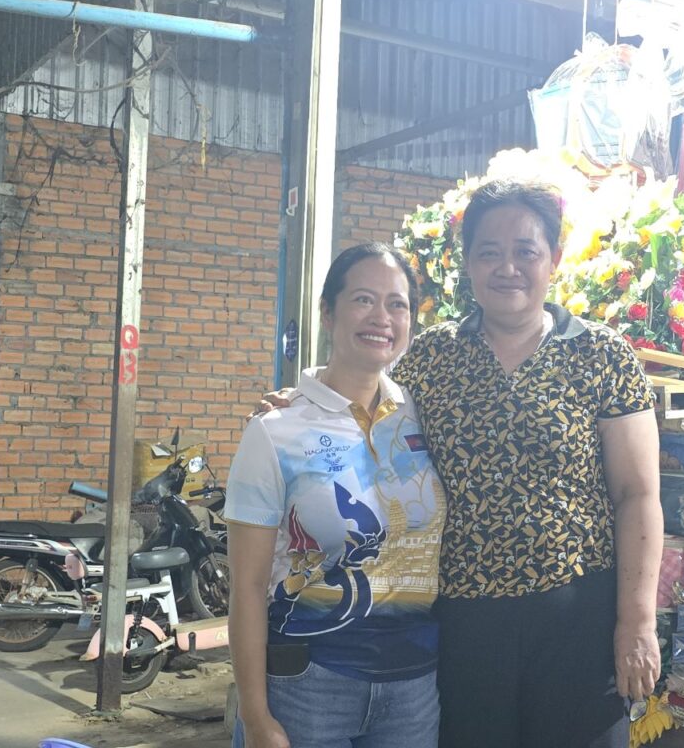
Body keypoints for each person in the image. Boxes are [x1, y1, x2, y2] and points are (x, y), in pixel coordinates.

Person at [259, 179, 662, 748]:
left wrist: (637, 623)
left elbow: (637, 494)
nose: (508, 268)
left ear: (553, 259)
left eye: (525, 251)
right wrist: (300, 403)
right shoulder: (430, 357)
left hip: (578, 617)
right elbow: (363, 402)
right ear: (467, 263)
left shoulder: (601, 354)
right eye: (489, 252)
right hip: (464, 625)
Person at [226, 242, 447, 748]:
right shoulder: (276, 431)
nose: (382, 317)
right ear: (328, 312)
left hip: (414, 688)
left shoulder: (427, 413)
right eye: (363, 299)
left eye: (397, 304)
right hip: (308, 684)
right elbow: (248, 587)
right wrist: (255, 717)